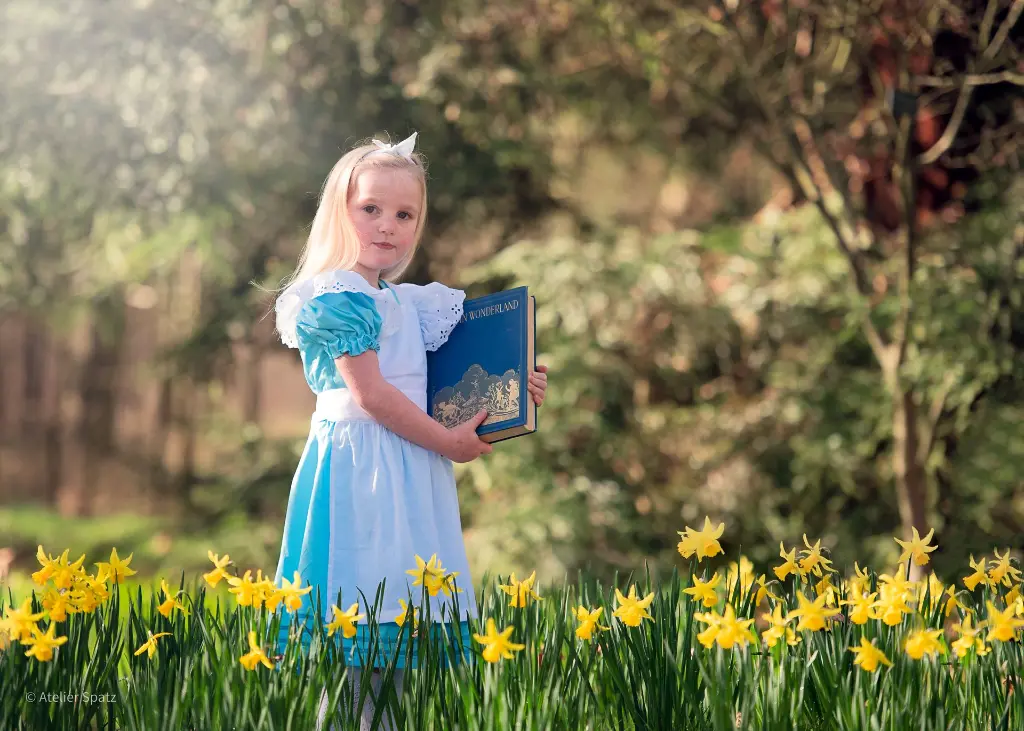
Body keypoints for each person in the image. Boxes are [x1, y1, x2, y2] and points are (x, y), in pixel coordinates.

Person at [270, 132, 548, 730]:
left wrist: (511, 393)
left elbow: (447, 392)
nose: (387, 225)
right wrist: (447, 443)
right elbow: (371, 395)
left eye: (405, 214)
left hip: (411, 467)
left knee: (400, 621)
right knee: (362, 609)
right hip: (363, 473)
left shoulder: (408, 302)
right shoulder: (336, 297)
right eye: (370, 208)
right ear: (339, 212)